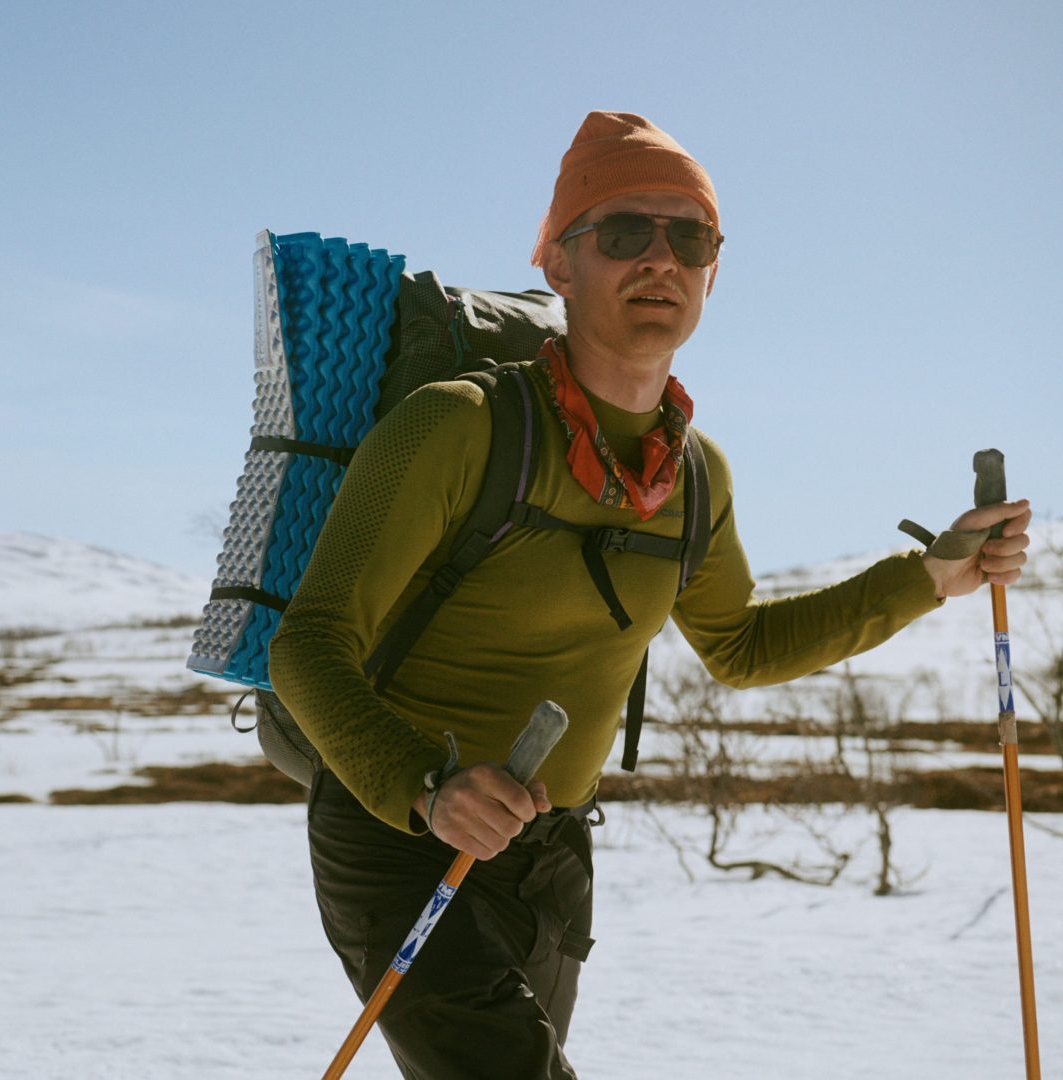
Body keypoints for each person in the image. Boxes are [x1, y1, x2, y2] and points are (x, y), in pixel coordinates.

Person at [268, 111, 1031, 1079]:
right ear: (558, 263)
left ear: (714, 270)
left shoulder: (695, 477)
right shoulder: (457, 428)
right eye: (625, 231)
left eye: (691, 238)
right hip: (401, 837)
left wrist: (930, 579)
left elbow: (742, 646)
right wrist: (427, 787)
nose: (661, 259)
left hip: (549, 857)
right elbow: (308, 644)